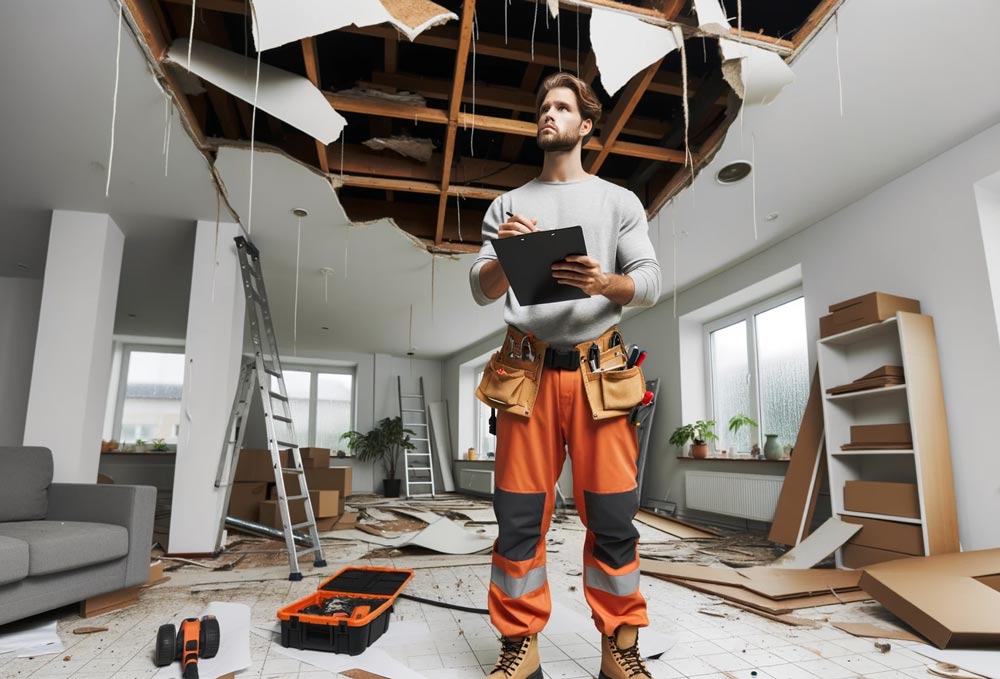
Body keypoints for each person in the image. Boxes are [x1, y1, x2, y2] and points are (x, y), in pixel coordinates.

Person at [469, 72, 662, 679]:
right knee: (519, 517)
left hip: (599, 377)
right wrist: (504, 256)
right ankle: (520, 647)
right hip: (525, 376)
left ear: (585, 124)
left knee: (612, 516)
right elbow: (480, 288)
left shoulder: (617, 201)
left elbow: (650, 283)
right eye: (542, 107)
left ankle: (619, 647)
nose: (547, 115)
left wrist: (605, 282)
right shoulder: (508, 206)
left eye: (561, 107)